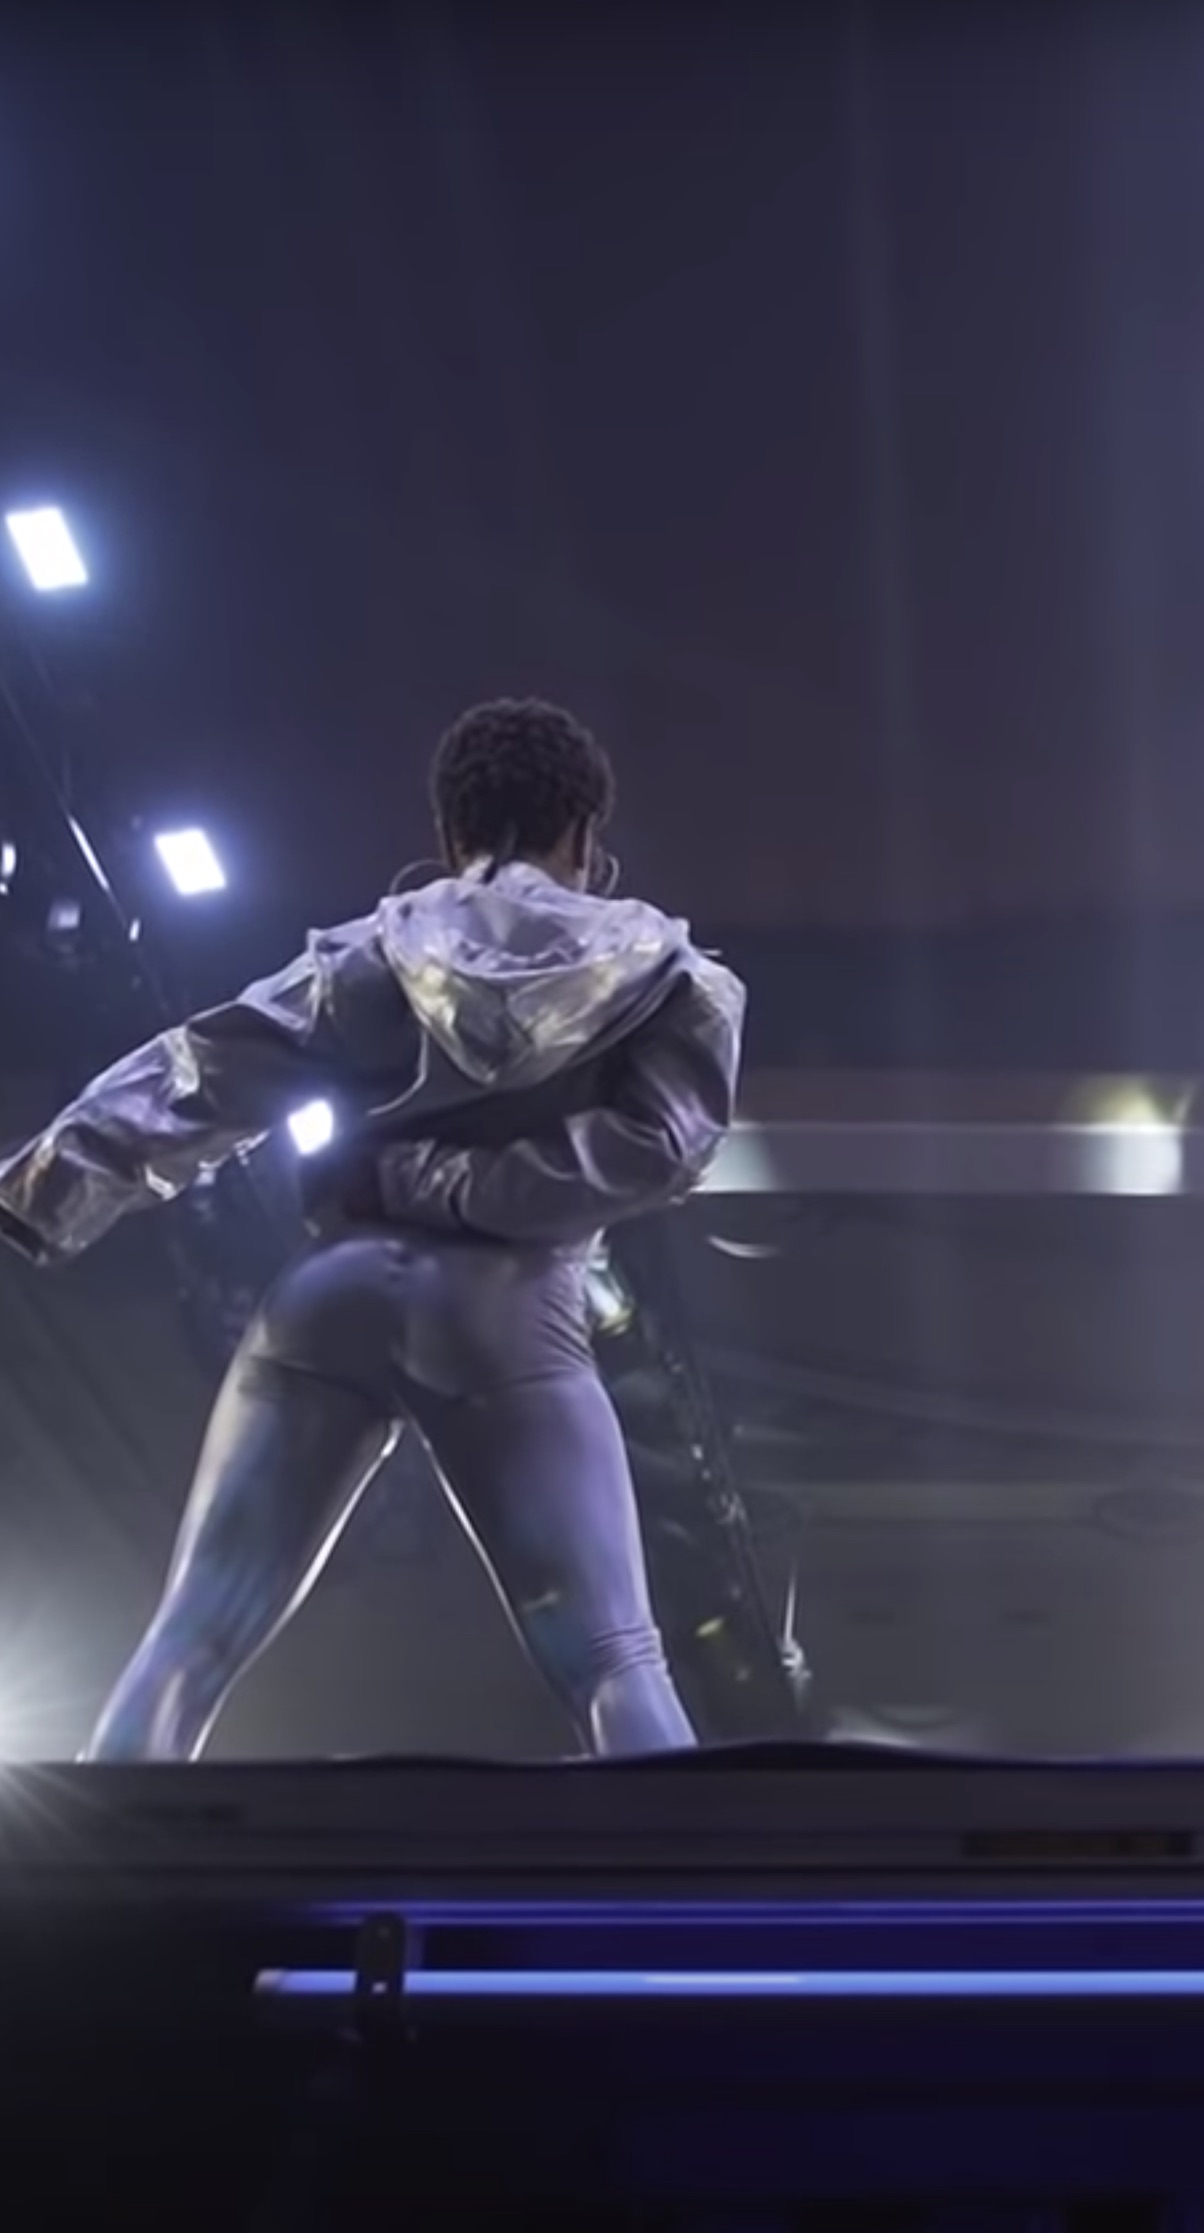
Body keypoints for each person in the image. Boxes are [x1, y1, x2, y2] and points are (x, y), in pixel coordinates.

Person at [0, 697, 745, 1761]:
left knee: (187, 1645)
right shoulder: (675, 978)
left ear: (448, 831)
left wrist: (36, 1187)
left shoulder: (364, 955)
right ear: (585, 834)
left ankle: (100, 1868)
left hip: (329, 1291)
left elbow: (196, 1073)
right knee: (616, 1663)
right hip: (509, 1311)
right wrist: (460, 1184)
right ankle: (690, 1876)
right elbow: (657, 1149)